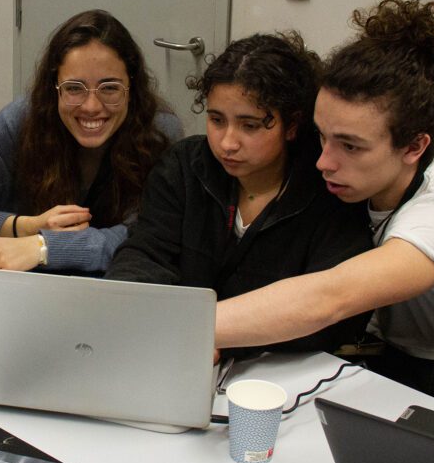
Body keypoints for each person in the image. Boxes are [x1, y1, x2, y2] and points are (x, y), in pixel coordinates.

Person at [213, 0, 434, 443]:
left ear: (414, 146)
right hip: (388, 361)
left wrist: (180, 327)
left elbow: (328, 297)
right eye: (322, 136)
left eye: (350, 146)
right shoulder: (352, 177)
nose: (323, 162)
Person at [106, 32, 372, 355]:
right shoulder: (184, 167)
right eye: (217, 120)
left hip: (278, 370)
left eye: (250, 126)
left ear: (291, 125)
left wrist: (220, 339)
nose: (228, 142)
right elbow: (144, 256)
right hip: (175, 348)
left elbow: (332, 321)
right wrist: (154, 321)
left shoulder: (328, 191)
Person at [0, 9, 183, 274]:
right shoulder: (22, 119)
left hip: (119, 285)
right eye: (74, 88)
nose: (92, 106)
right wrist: (24, 226)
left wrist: (45, 246)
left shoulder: (161, 133)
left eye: (109, 88)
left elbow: (153, 238)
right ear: (54, 88)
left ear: (132, 86)